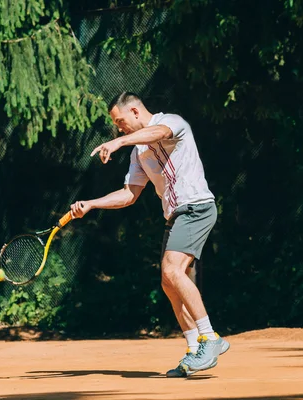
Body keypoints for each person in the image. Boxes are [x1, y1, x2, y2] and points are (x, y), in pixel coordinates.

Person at [69, 92, 229, 377]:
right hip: (176, 215)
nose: (119, 128)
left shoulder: (171, 122)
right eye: (117, 126)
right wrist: (92, 204)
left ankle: (210, 338)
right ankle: (194, 349)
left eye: (120, 122)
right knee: (169, 282)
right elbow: (130, 194)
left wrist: (118, 141)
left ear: (134, 111)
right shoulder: (138, 153)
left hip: (196, 207)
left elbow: (158, 132)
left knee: (172, 270)